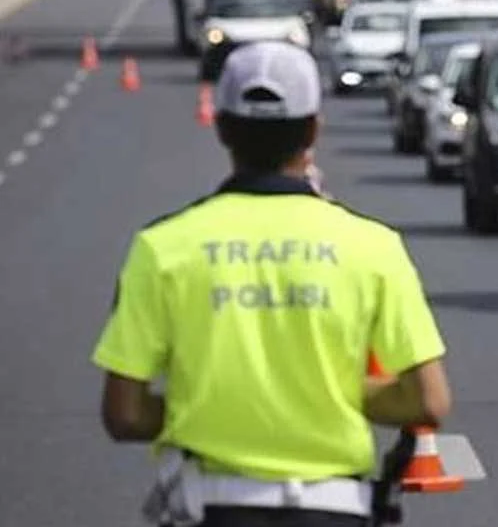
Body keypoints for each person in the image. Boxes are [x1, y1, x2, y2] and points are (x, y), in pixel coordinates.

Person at [91, 40, 452, 527]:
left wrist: (213, 403)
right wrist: (331, 390)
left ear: (221, 128)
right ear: (313, 130)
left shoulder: (162, 248)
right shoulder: (373, 247)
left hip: (210, 508)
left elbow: (124, 413)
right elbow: (428, 401)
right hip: (335, 509)